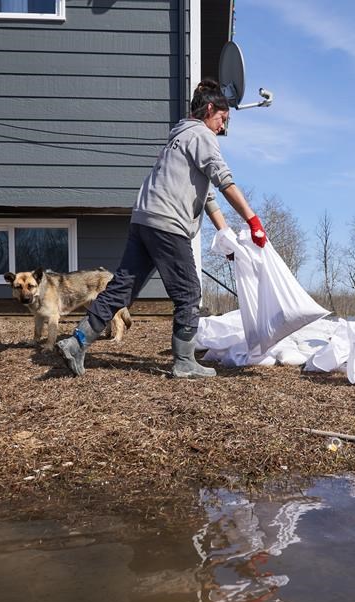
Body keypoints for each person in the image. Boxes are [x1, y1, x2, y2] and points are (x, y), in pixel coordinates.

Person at [58, 79, 266, 379]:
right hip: (167, 222)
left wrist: (225, 237)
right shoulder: (201, 135)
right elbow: (224, 179)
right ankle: (184, 362)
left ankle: (76, 342)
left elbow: (207, 195)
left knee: (121, 288)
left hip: (144, 219)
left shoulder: (177, 139)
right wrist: (252, 221)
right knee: (189, 291)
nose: (222, 127)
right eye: (223, 119)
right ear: (210, 110)